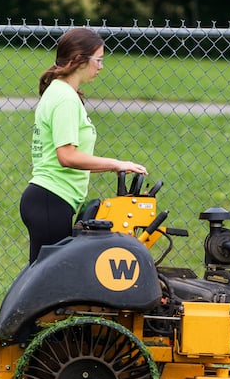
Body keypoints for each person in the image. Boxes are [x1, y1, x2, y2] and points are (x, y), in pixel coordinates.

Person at [20, 27, 148, 264]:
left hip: (50, 200)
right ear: (79, 60)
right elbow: (67, 156)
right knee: (51, 283)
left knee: (45, 279)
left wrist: (118, 168)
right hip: (51, 199)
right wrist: (115, 163)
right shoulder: (65, 98)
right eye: (98, 60)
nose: (101, 67)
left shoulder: (59, 91)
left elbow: (75, 159)